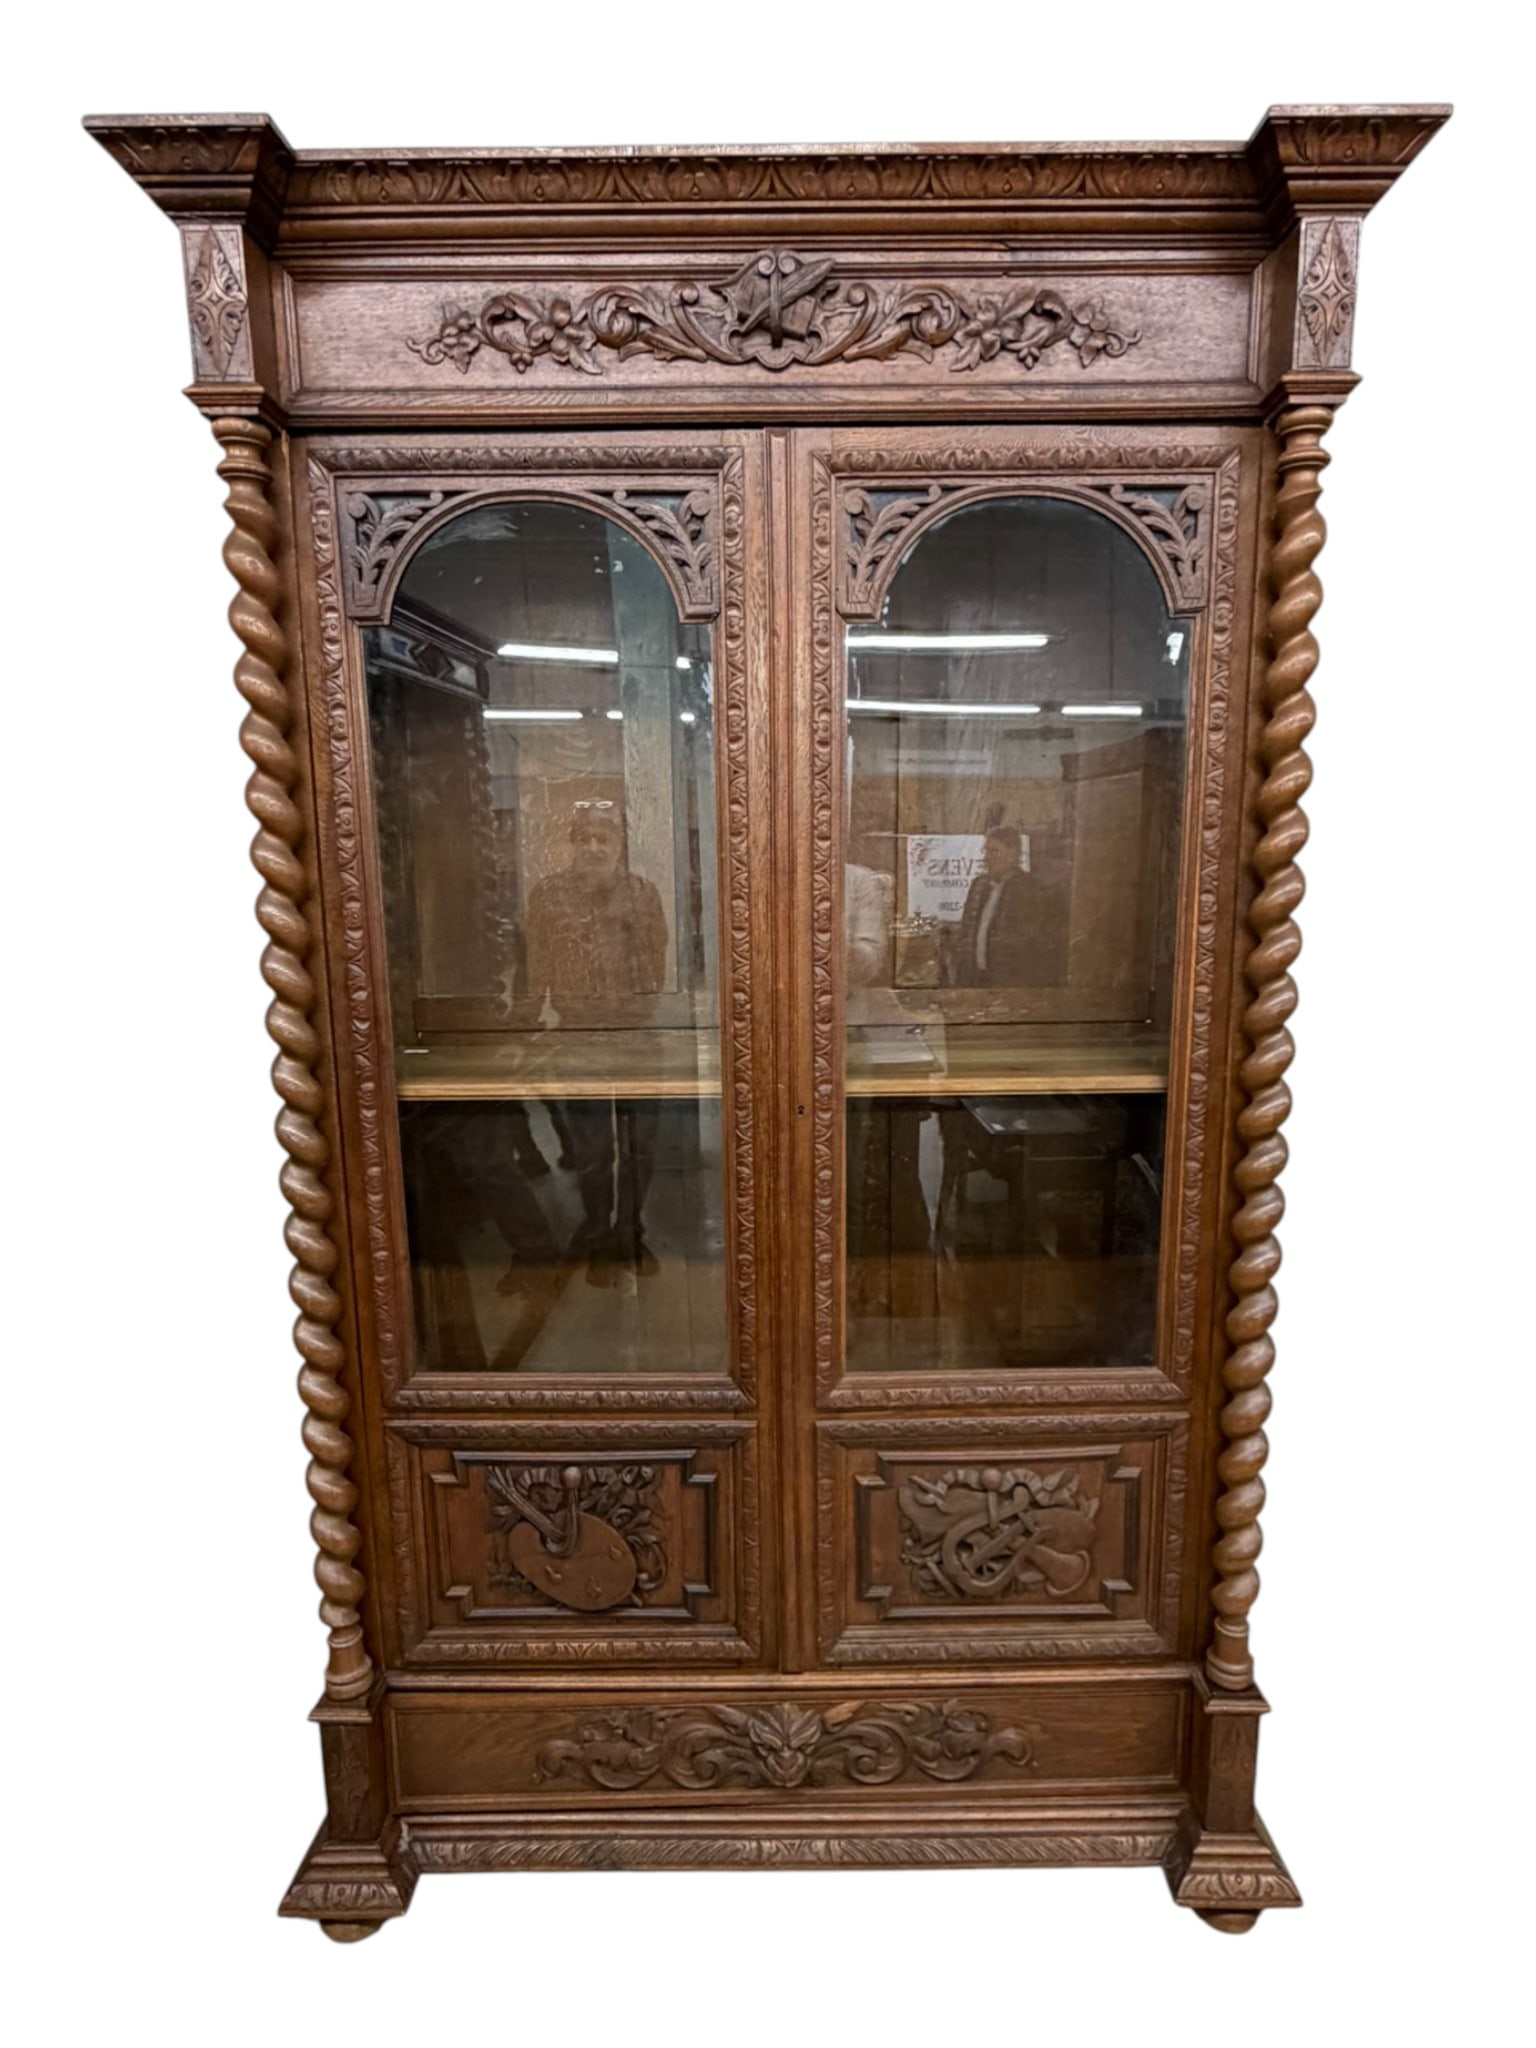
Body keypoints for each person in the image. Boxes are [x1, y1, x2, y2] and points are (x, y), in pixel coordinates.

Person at [524, 803, 669, 1281]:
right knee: (592, 1149)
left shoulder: (643, 894)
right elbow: (536, 969)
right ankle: (595, 1228)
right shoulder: (547, 896)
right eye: (584, 837)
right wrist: (526, 1032)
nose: (594, 847)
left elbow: (656, 964)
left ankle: (629, 1230)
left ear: (620, 843)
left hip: (637, 1036)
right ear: (572, 841)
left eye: (603, 837)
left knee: (639, 1146)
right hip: (578, 1035)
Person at [951, 824, 1065, 988]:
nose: (987, 858)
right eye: (986, 851)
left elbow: (1037, 947)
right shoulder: (979, 885)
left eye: (994, 852)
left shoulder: (1032, 890)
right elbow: (966, 933)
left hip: (1011, 984)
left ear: (1013, 855)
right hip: (975, 981)